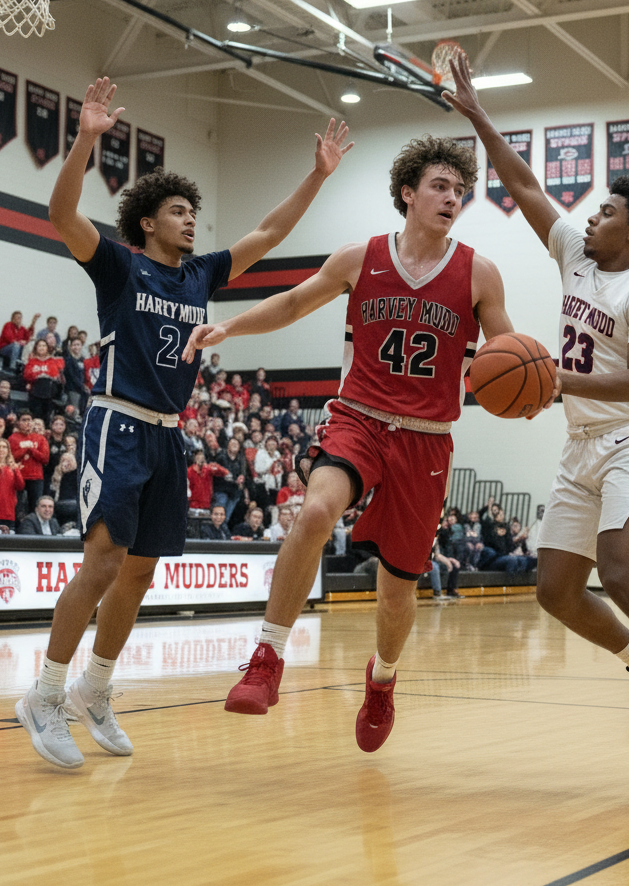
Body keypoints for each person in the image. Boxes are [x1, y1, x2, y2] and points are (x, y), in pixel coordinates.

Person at [14, 75, 353, 771]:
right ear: (148, 221)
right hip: (117, 422)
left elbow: (269, 232)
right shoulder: (119, 266)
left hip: (169, 432)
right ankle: (45, 694)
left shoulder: (200, 276)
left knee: (140, 573)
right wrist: (84, 139)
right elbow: (60, 213)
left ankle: (95, 688)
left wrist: (316, 178)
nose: (191, 220)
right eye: (177, 210)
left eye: (193, 211)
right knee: (103, 562)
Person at [445, 50, 629, 796]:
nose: (592, 215)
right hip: (578, 441)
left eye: (608, 211)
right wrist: (476, 113)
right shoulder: (577, 253)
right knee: (554, 590)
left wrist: (551, 379)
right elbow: (523, 184)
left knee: (620, 573)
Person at [183, 132, 520, 754]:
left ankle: (383, 679)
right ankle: (267, 658)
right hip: (358, 417)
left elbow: (506, 356)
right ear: (408, 194)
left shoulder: (479, 273)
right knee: (313, 511)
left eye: (460, 191)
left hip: (427, 440)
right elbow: (290, 303)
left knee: (396, 590)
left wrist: (526, 388)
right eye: (440, 187)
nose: (452, 199)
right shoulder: (359, 258)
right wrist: (227, 325)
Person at [8, 410, 48, 512]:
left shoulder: (40, 439)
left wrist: (32, 450)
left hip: (36, 477)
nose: (27, 423)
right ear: (18, 423)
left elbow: (45, 458)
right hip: (18, 475)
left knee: (35, 506)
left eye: (29, 420)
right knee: (16, 505)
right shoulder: (13, 438)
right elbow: (11, 457)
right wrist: (25, 449)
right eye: (24, 420)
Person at [23, 338, 65, 423]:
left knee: (45, 381)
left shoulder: (52, 361)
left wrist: (39, 374)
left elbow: (54, 374)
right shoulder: (32, 361)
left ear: (47, 348)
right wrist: (39, 375)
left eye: (44, 346)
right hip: (35, 392)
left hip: (50, 391)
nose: (41, 348)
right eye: (39, 346)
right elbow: (27, 375)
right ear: (36, 348)